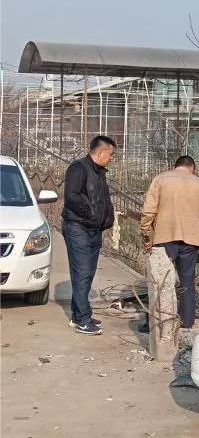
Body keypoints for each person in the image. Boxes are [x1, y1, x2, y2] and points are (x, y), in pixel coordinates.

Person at [140, 156, 199, 329]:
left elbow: (148, 211)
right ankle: (186, 321)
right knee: (187, 282)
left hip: (164, 237)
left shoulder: (160, 180)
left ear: (174, 166)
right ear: (193, 168)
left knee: (160, 281)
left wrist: (146, 235)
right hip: (190, 240)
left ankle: (155, 323)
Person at [62, 134, 116, 335]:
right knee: (82, 273)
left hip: (94, 230)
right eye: (110, 154)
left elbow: (102, 199)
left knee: (87, 274)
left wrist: (107, 218)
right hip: (78, 228)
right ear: (100, 152)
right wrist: (91, 213)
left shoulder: (99, 172)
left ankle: (79, 315)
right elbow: (72, 197)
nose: (111, 158)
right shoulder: (78, 168)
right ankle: (83, 320)